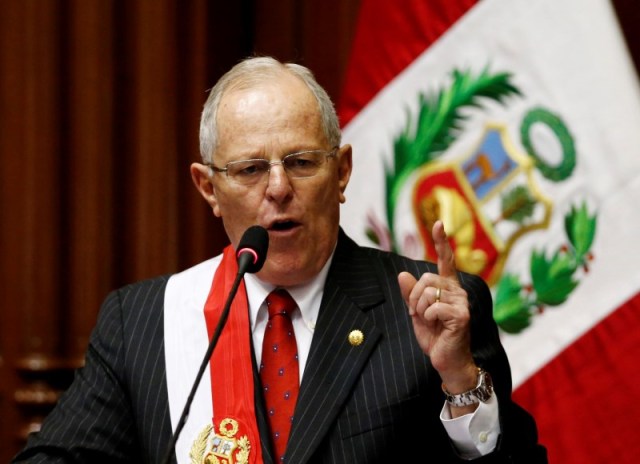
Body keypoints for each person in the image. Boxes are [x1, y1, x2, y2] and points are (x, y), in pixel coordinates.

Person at [13, 56, 547, 463]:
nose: (277, 188)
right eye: (249, 169)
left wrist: (460, 380)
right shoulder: (144, 322)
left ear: (341, 172)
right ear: (208, 188)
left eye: (300, 162)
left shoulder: (429, 308)